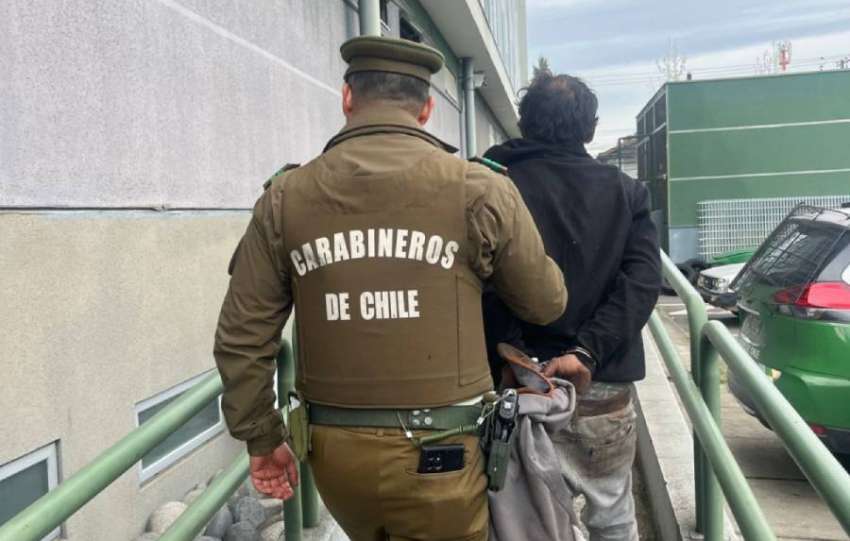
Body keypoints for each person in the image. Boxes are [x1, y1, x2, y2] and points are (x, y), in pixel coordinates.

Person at [213, 35, 567, 541]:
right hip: (445, 451)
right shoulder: (479, 189)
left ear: (347, 98)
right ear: (425, 110)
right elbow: (546, 303)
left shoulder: (285, 199)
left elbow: (241, 337)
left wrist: (261, 437)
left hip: (335, 456)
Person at [483, 68, 661, 541]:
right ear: (591, 129)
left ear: (525, 123)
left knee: (520, 520)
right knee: (612, 516)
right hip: (600, 388)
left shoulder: (492, 184)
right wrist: (586, 352)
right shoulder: (626, 192)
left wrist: (516, 356)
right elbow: (643, 281)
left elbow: (481, 280)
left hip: (518, 388)